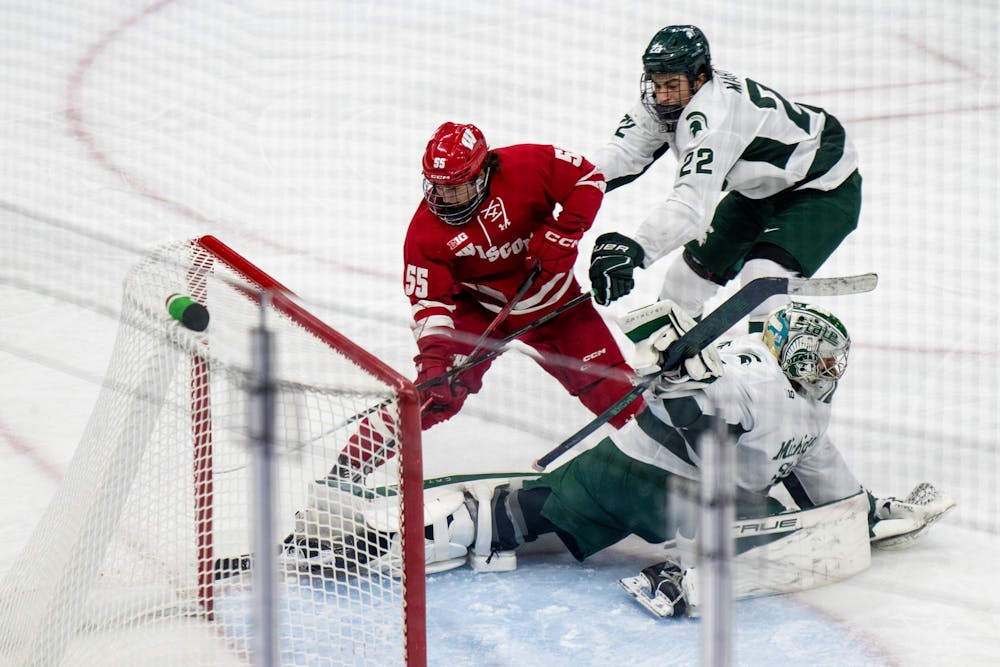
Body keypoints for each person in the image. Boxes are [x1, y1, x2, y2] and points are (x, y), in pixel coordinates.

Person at [327, 300, 953, 617]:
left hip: (619, 462)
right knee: (762, 522)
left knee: (526, 513)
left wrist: (861, 512)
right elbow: (704, 411)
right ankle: (685, 575)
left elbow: (823, 480)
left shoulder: (804, 406)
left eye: (832, 363)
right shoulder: (754, 371)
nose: (825, 371)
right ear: (787, 349)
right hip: (672, 486)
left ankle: (398, 538)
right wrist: (680, 375)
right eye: (816, 358)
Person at [337, 121, 645, 477]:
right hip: (482, 311)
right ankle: (343, 474)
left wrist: (565, 233)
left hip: (558, 305)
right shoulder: (424, 233)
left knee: (616, 395)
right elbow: (429, 304)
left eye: (456, 188)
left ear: (483, 171)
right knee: (434, 396)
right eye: (437, 187)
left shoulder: (530, 164)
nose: (444, 198)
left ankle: (674, 471)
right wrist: (433, 361)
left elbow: (588, 178)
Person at [588, 25, 863, 333]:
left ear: (700, 78)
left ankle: (775, 375)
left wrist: (637, 249)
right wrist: (571, 180)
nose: (663, 97)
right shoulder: (671, 99)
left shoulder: (715, 120)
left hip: (822, 185)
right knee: (684, 280)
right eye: (656, 84)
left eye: (672, 85)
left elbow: (691, 206)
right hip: (759, 191)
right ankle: (670, 372)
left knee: (763, 277)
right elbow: (625, 151)